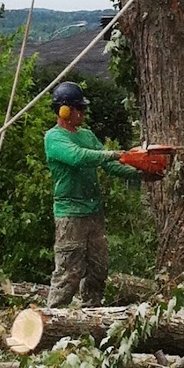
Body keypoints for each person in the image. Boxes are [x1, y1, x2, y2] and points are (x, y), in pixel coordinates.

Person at [43, 81, 141, 307]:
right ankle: (54, 316)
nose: (83, 113)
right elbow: (79, 157)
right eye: (80, 108)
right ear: (64, 110)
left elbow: (110, 165)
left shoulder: (86, 135)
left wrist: (140, 173)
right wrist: (112, 153)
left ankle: (91, 312)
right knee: (69, 271)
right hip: (70, 214)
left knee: (98, 268)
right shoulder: (54, 138)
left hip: (93, 212)